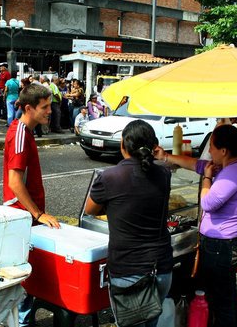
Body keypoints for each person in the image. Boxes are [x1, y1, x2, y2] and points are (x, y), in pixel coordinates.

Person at [154, 124, 237, 327]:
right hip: (225, 244)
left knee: (220, 300)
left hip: (222, 246)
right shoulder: (230, 166)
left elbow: (207, 202)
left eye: (213, 148)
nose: (210, 152)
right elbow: (197, 164)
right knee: (227, 293)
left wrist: (207, 178)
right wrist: (166, 157)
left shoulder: (232, 173)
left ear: (224, 151)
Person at [85, 120, 173, 327]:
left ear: (123, 145)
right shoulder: (164, 175)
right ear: (154, 146)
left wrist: (114, 207)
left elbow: (90, 210)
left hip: (128, 271)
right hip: (162, 268)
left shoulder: (109, 177)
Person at [3, 83, 60, 327]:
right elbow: (14, 182)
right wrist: (38, 214)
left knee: (29, 276)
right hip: (21, 216)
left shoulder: (26, 131)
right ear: (29, 108)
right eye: (45, 107)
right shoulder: (19, 134)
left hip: (27, 216)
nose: (50, 111)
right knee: (23, 281)